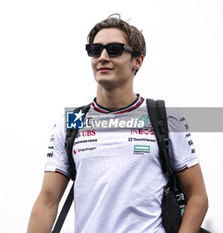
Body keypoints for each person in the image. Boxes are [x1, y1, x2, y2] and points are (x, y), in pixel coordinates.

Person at [27, 14, 208, 233]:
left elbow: (198, 197)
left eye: (114, 49)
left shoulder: (167, 118)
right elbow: (47, 201)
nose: (102, 57)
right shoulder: (71, 122)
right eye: (95, 50)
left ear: (137, 60)